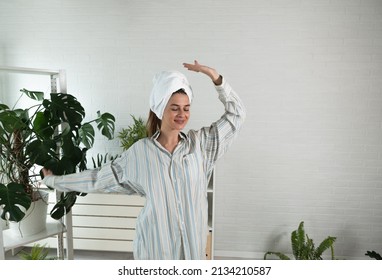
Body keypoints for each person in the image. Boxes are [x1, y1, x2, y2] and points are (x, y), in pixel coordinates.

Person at [41, 60, 246, 260]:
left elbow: (236, 114)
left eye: (186, 108)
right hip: (155, 250)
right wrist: (54, 181)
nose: (182, 114)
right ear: (160, 108)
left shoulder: (201, 144)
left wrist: (215, 77)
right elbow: (97, 178)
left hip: (193, 251)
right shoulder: (140, 153)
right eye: (174, 108)